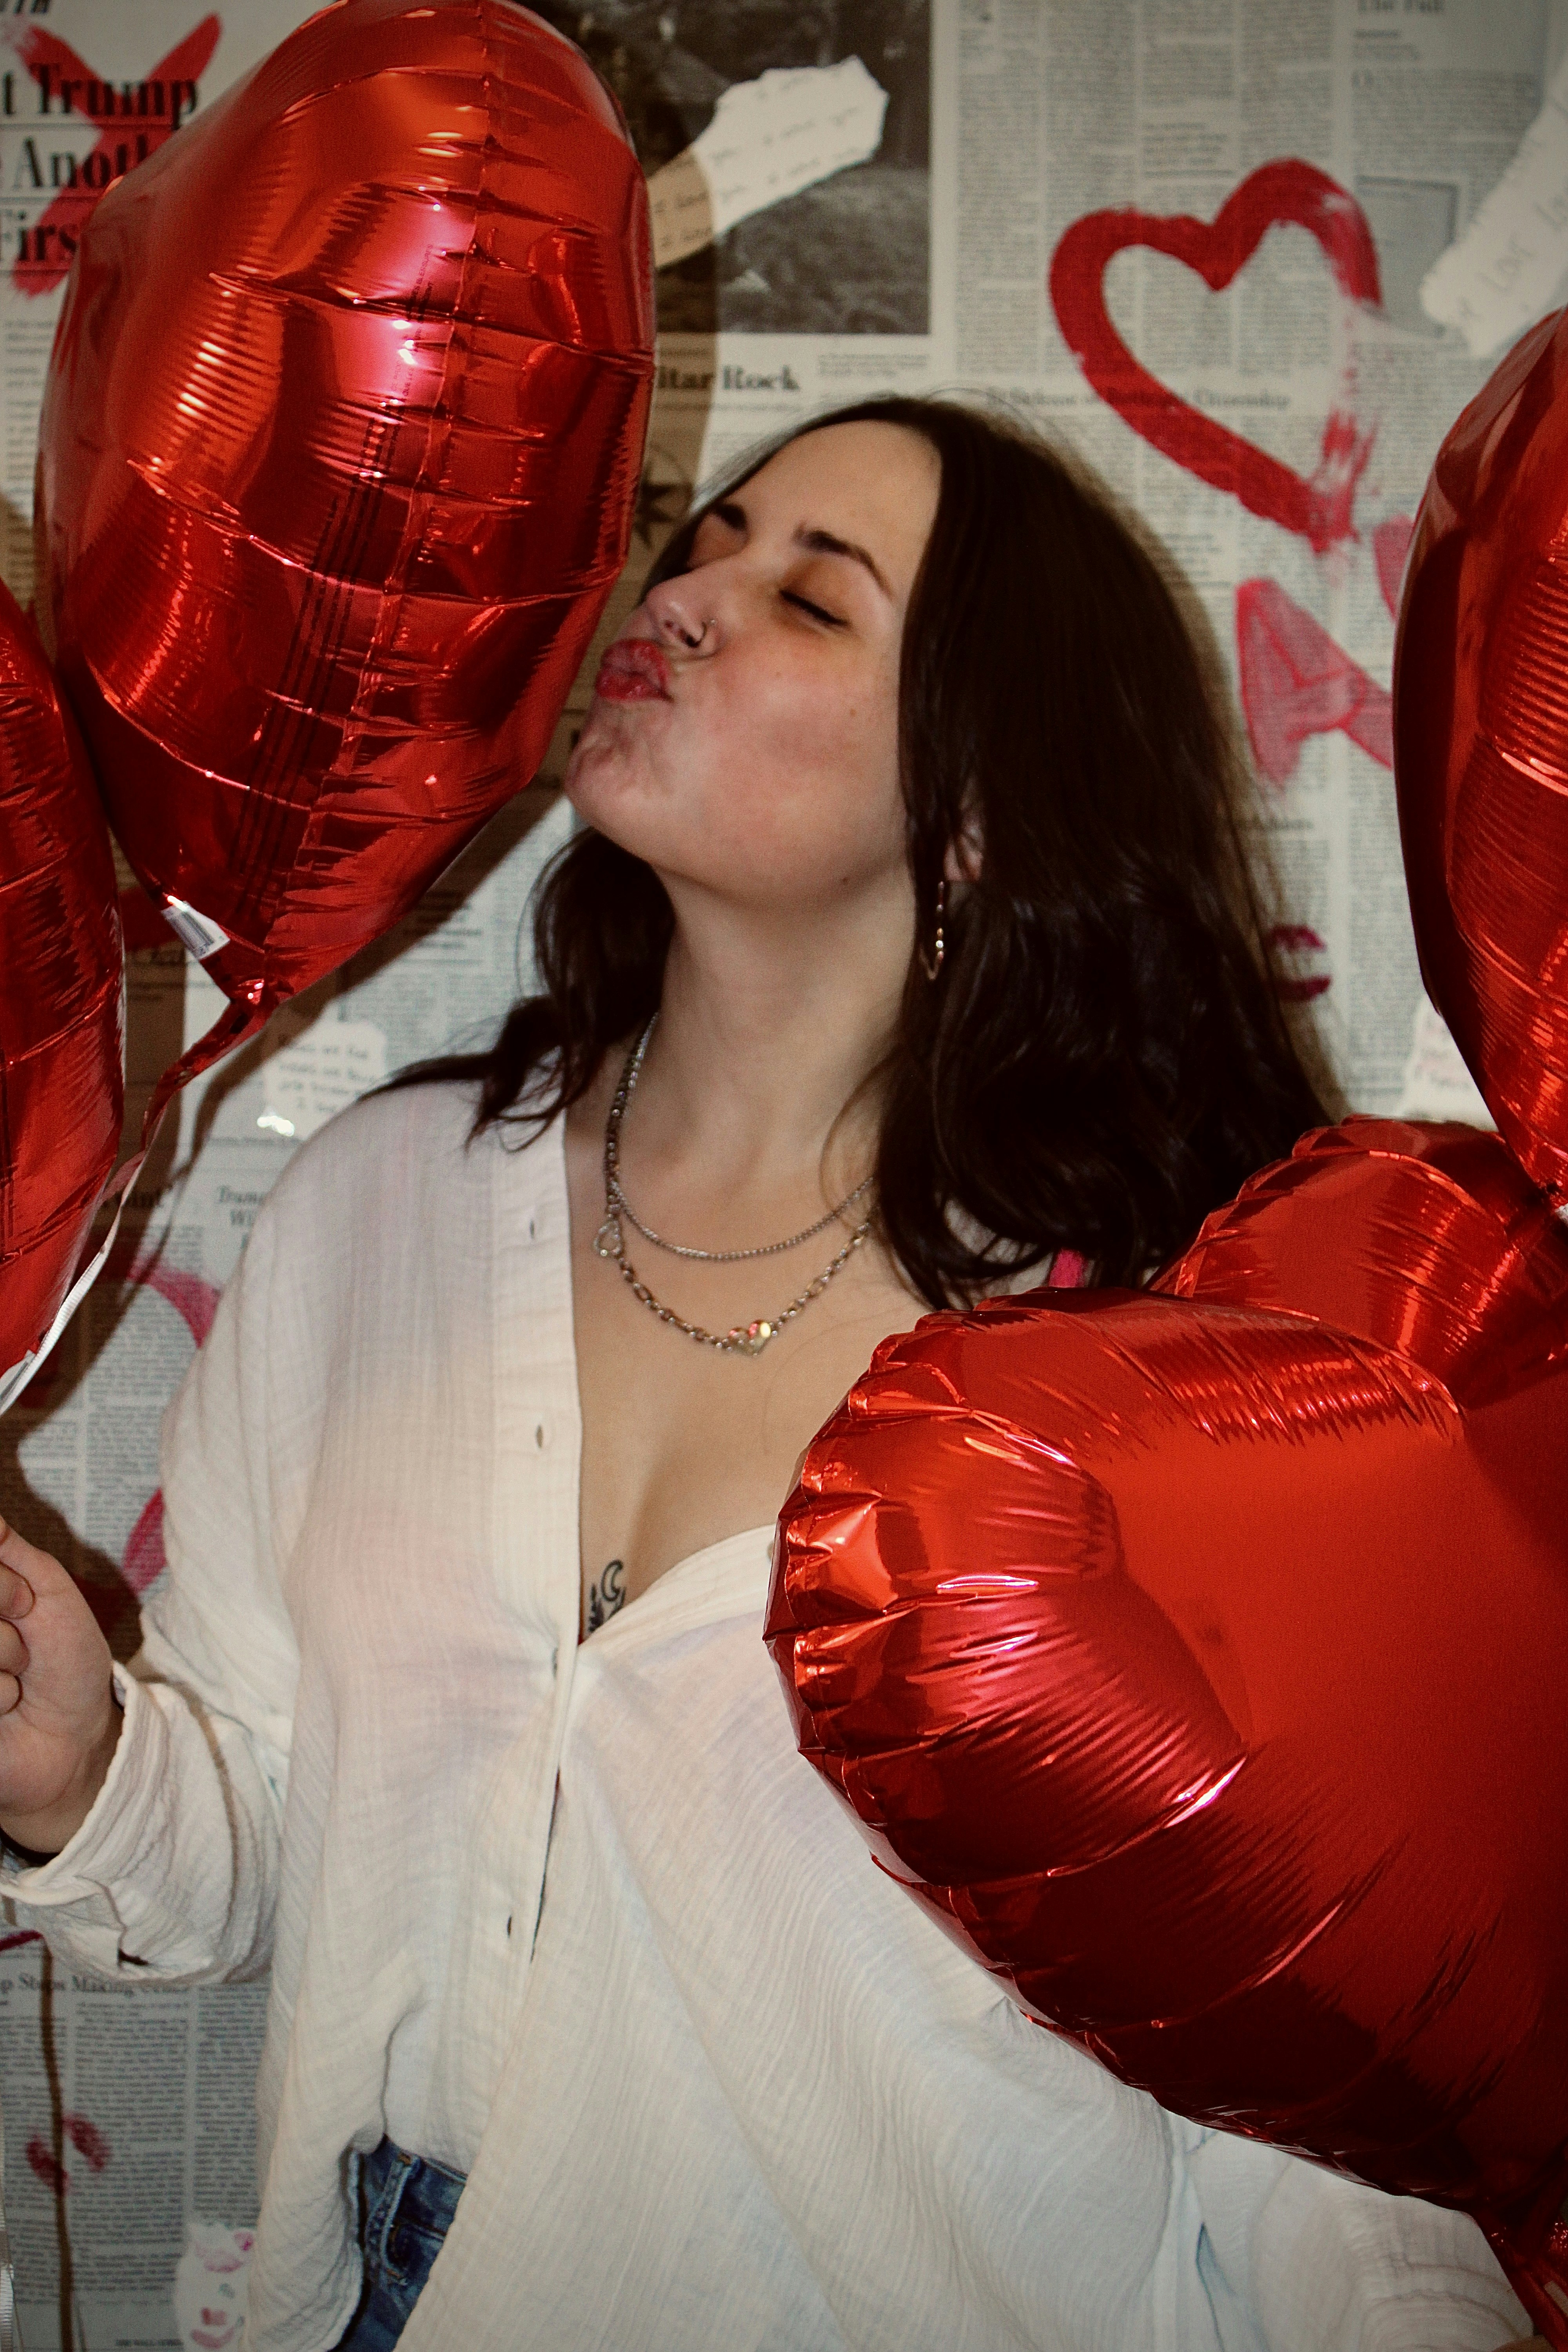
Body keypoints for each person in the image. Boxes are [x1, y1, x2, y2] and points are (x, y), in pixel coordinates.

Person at [0, 399, 1541, 2352]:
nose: (694, 597)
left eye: (812, 597)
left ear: (977, 807)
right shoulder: (375, 1207)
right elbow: (282, 1849)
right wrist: (86, 1775)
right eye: (705, 542)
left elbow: (1312, 2125)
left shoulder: (1166, 1361)